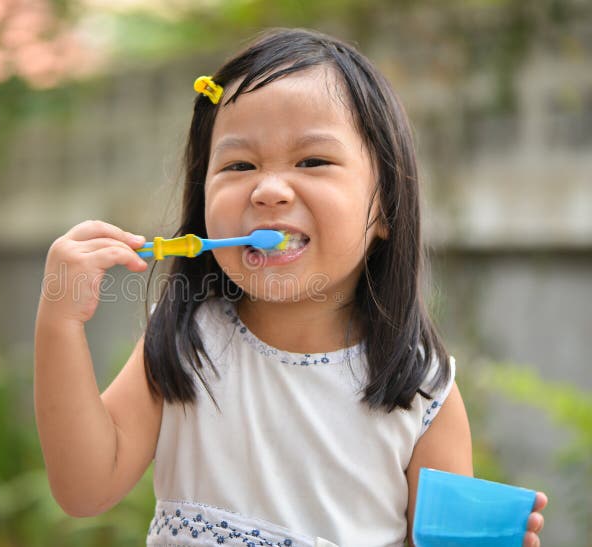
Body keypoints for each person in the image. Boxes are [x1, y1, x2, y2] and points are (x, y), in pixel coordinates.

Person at [34, 28, 548, 546]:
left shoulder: (422, 391)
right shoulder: (187, 340)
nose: (269, 190)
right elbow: (84, 490)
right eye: (239, 165)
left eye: (312, 161)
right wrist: (60, 323)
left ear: (386, 208)